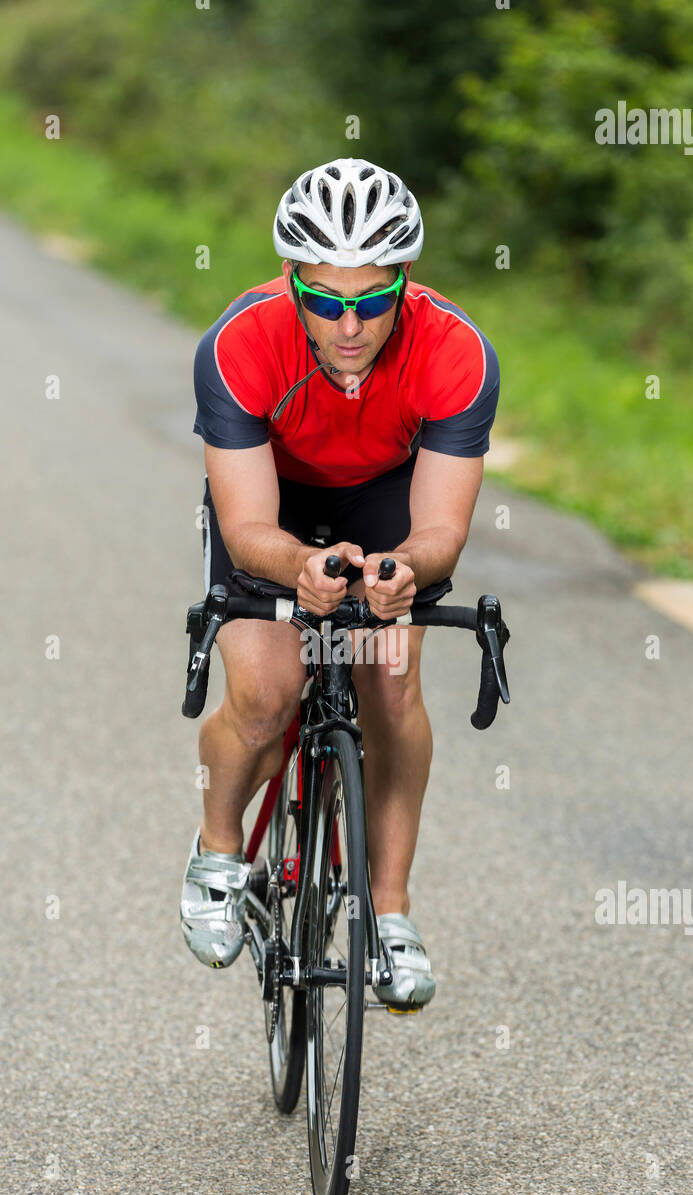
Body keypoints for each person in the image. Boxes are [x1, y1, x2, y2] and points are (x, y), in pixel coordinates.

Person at [181, 157, 499, 1009]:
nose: (348, 323)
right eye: (323, 298)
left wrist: (405, 573)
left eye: (371, 297)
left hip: (385, 496)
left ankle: (390, 914)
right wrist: (296, 569)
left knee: (390, 684)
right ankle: (218, 851)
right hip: (271, 496)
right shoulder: (241, 343)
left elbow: (439, 531)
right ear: (292, 283)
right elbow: (247, 528)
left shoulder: (456, 352)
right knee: (265, 691)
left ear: (406, 282)